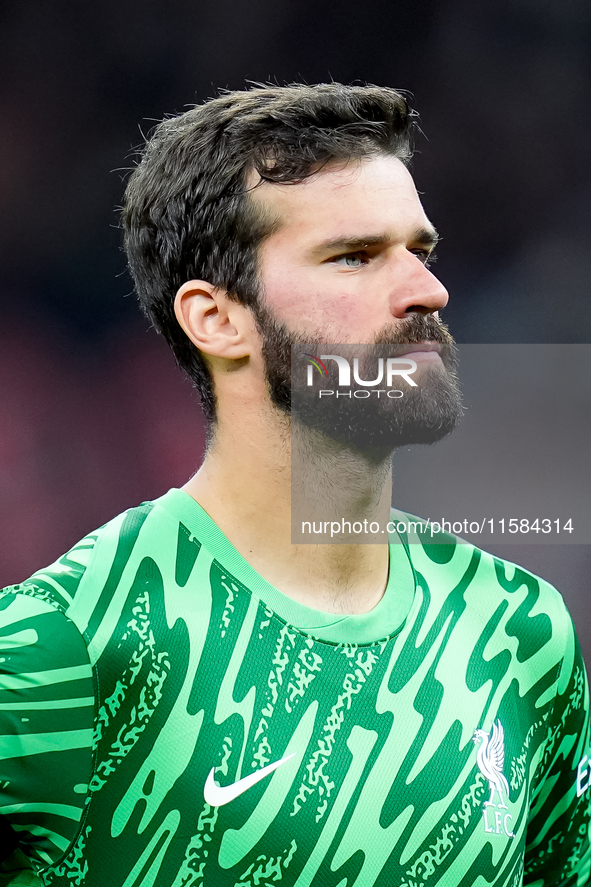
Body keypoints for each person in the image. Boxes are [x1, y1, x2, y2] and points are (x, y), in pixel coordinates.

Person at [0, 83, 589, 887]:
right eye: (353, 257)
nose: (425, 291)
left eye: (419, 251)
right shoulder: (63, 643)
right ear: (215, 319)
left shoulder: (521, 632)